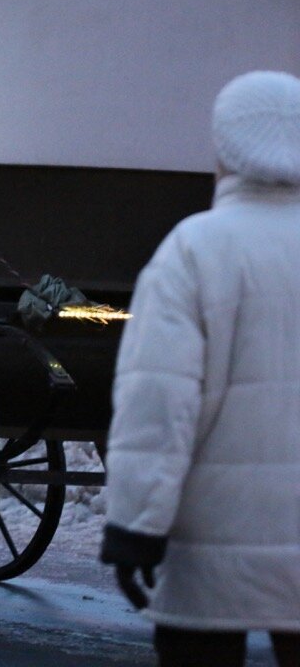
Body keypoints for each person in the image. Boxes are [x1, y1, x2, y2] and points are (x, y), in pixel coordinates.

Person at [101, 70, 300, 667]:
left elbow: (158, 406)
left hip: (211, 547)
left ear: (224, 151)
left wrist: (134, 528)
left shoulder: (193, 250)